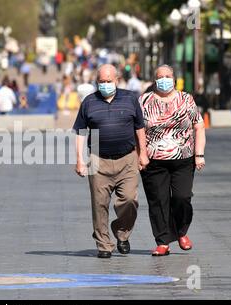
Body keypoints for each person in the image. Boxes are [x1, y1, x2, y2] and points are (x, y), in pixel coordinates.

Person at [73, 64, 149, 259]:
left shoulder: (130, 98)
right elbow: (81, 132)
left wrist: (143, 153)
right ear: (97, 82)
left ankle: (122, 232)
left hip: (127, 159)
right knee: (99, 204)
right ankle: (104, 244)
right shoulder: (89, 102)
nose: (105, 85)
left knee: (130, 200)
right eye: (101, 82)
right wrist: (80, 160)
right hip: (98, 160)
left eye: (109, 81)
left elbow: (140, 128)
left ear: (116, 80)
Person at [139, 64, 206, 256]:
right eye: (160, 76)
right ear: (154, 80)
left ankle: (181, 231)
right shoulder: (144, 100)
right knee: (158, 201)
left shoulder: (186, 99)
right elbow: (138, 130)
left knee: (182, 197)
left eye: (168, 76)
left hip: (183, 158)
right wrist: (140, 154)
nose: (164, 79)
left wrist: (199, 154)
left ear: (174, 79)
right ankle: (163, 241)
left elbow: (199, 126)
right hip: (154, 160)